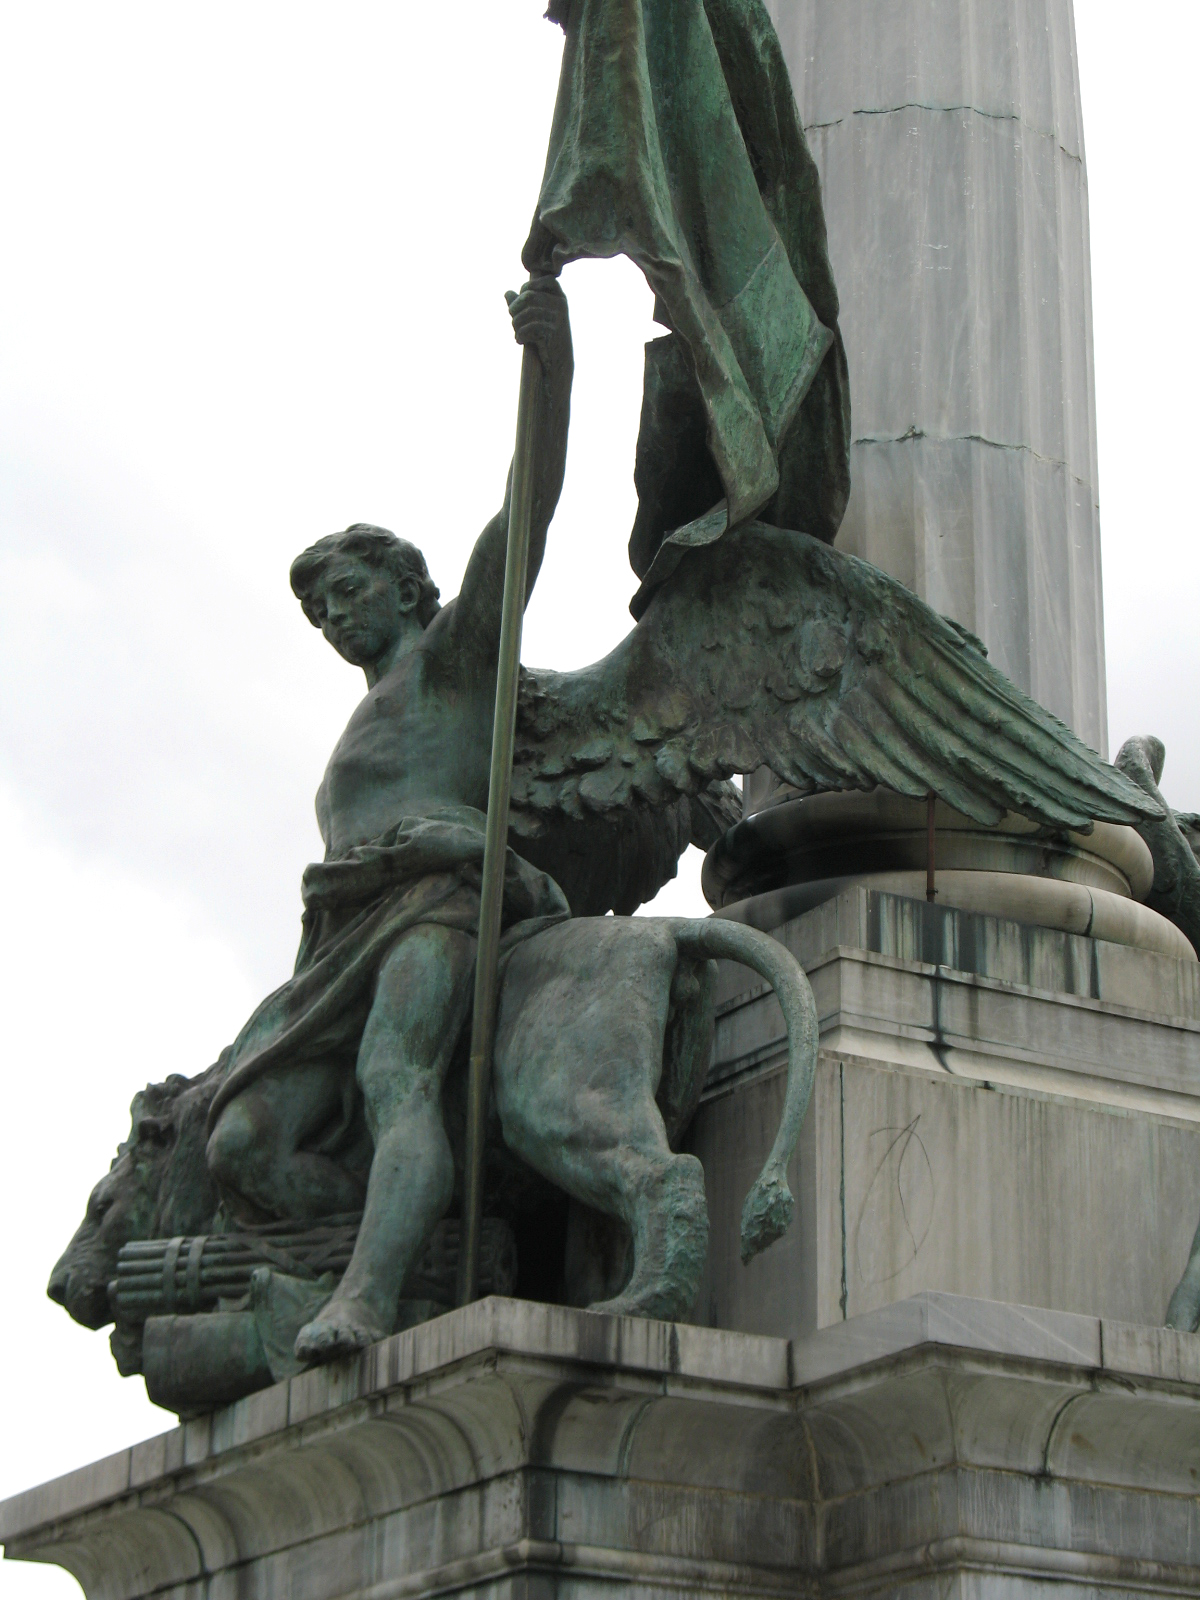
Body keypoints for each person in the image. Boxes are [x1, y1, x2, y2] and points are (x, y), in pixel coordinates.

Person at [204, 277, 574, 1361]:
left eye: (346, 592)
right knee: (242, 1140)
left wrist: (551, 369)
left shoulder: (457, 660)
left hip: (434, 904)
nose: (330, 619)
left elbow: (530, 509)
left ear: (405, 585)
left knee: (394, 1079)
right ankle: (390, 1245)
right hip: (335, 941)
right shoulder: (362, 721)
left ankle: (365, 1294)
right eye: (317, 609)